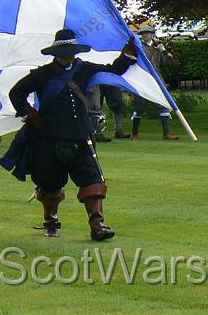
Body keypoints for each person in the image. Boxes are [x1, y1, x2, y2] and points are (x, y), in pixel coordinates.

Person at [8, 29, 138, 241]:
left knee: (92, 180)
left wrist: (129, 54)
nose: (69, 56)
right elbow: (16, 93)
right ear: (56, 53)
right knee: (50, 184)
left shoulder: (84, 69)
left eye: (71, 52)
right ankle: (51, 222)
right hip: (49, 136)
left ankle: (98, 225)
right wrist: (32, 116)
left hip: (81, 134)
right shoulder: (41, 74)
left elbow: (113, 70)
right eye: (65, 52)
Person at [130, 25, 178, 141]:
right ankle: (134, 133)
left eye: (147, 33)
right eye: (143, 34)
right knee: (140, 107)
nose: (145, 35)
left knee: (163, 105)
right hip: (143, 79)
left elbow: (164, 64)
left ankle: (166, 133)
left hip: (157, 80)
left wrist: (168, 55)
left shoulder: (158, 49)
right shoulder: (138, 47)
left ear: (152, 34)